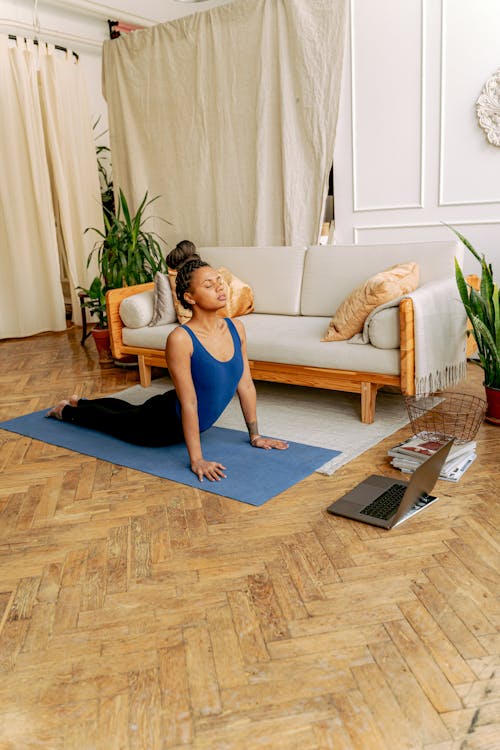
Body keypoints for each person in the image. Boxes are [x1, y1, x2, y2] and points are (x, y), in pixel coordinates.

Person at [47, 241, 288, 481]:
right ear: (190, 298)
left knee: (130, 409)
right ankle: (67, 411)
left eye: (218, 281)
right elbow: (190, 403)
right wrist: (197, 460)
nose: (219, 287)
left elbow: (245, 385)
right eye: (208, 284)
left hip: (168, 406)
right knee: (114, 420)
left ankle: (83, 402)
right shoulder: (181, 339)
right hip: (161, 426)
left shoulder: (237, 328)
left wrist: (255, 436)